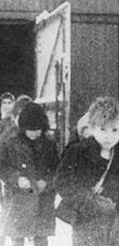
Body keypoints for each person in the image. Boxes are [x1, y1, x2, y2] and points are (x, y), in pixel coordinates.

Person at [54, 96, 119, 246]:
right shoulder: (78, 151)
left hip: (115, 221)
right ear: (93, 128)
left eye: (115, 130)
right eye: (103, 129)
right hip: (86, 220)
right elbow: (62, 182)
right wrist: (88, 202)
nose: (109, 136)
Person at [0, 102, 59, 246]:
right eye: (32, 130)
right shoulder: (10, 142)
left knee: (41, 238)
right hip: (18, 198)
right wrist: (16, 178)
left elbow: (57, 168)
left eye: (39, 129)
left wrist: (47, 181)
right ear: (24, 127)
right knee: (17, 237)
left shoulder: (49, 143)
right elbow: (2, 166)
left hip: (42, 199)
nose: (36, 133)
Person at [0, 94, 33, 246]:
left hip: (31, 188)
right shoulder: (7, 132)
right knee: (12, 223)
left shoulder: (36, 134)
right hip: (13, 185)